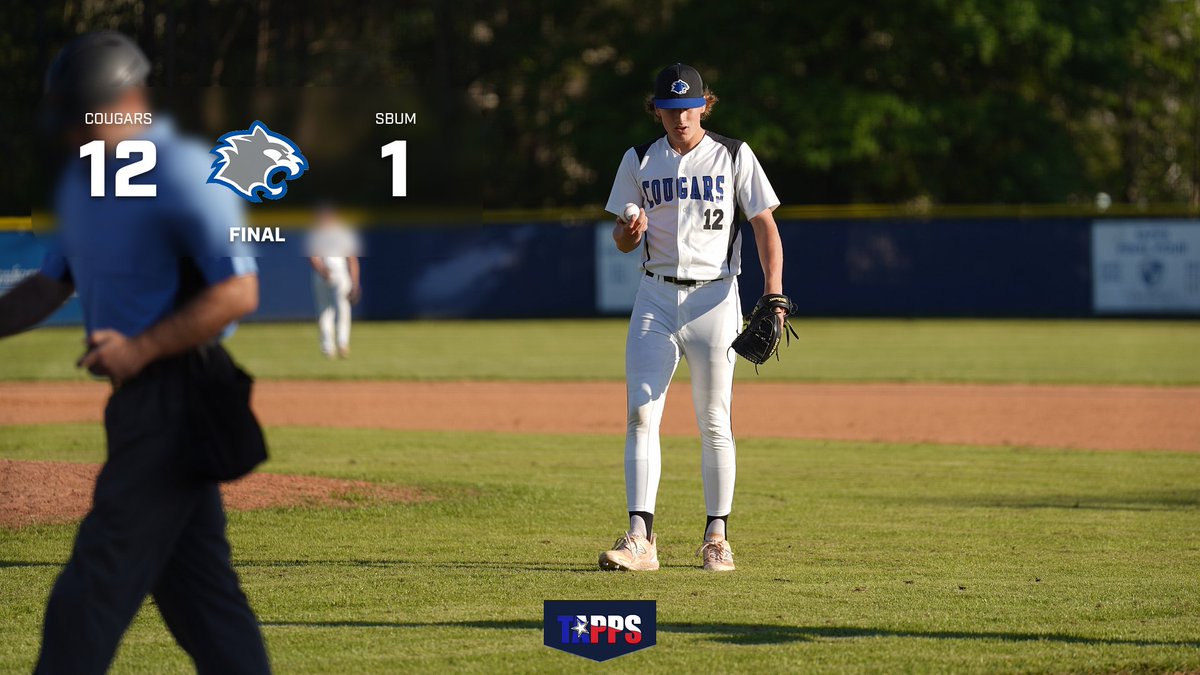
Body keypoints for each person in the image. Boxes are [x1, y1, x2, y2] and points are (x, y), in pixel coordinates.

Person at [0, 31, 271, 673]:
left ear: (131, 100)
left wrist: (141, 348)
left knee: (88, 595)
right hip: (137, 410)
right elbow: (48, 286)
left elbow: (238, 291)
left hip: (177, 400)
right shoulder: (83, 186)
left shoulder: (183, 172)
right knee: (203, 603)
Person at [598, 63, 786, 572]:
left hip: (715, 298)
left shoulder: (733, 154)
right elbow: (620, 238)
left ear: (705, 105)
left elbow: (764, 224)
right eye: (670, 108)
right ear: (656, 110)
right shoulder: (639, 159)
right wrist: (628, 233)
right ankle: (641, 538)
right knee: (641, 413)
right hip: (654, 297)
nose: (681, 117)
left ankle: (717, 536)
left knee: (714, 420)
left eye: (689, 107)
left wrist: (774, 294)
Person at [307, 206, 360, 358]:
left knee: (329, 310)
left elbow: (352, 260)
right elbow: (314, 257)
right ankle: (335, 345)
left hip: (330, 272)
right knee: (331, 310)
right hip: (331, 272)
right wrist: (354, 282)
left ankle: (333, 346)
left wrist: (355, 283)